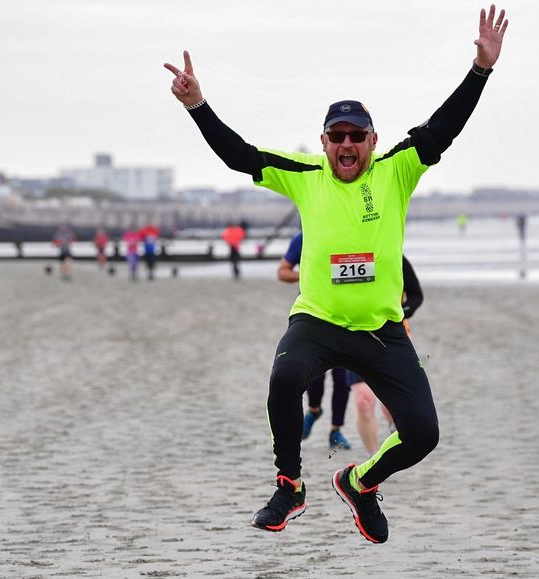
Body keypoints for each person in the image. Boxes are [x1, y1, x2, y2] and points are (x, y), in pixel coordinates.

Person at [165, 5, 508, 543]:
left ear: (374, 140)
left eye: (356, 135)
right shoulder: (305, 176)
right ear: (323, 142)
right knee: (283, 378)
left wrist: (481, 71)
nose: (346, 144)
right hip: (318, 322)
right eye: (336, 135)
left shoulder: (399, 170)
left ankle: (360, 481)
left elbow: (444, 127)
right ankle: (290, 484)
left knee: (422, 435)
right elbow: (239, 155)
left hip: (380, 331)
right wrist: (197, 106)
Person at [276, 231, 353, 452]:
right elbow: (282, 272)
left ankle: (336, 430)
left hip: (344, 316)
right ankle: (314, 409)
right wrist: (308, 274)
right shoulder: (303, 238)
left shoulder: (347, 234)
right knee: (315, 375)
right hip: (314, 316)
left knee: (342, 378)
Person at [348, 255, 424, 452]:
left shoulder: (392, 254)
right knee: (363, 401)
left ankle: (394, 431)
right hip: (354, 335)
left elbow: (416, 296)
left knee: (391, 403)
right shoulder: (345, 255)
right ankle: (372, 459)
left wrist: (399, 312)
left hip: (391, 337)